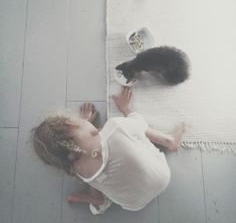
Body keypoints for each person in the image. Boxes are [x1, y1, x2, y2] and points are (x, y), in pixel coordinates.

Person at [32, 87, 186, 215]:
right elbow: (139, 123)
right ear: (71, 125)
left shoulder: (76, 169)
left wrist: (84, 127)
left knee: (98, 178)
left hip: (134, 204)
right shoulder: (115, 127)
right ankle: (169, 141)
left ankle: (98, 200)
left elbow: (85, 151)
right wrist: (126, 109)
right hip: (161, 177)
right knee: (133, 132)